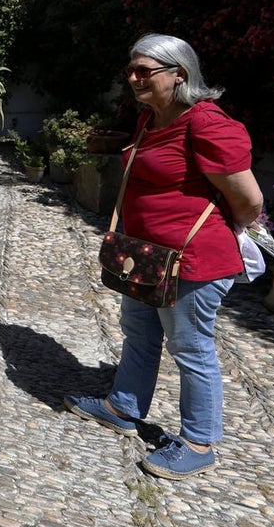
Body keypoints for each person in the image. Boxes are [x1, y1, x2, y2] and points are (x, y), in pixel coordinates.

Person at [64, 33, 263, 480]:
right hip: (148, 256)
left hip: (193, 261)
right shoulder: (152, 118)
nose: (134, 78)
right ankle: (124, 406)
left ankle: (199, 441)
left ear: (180, 75)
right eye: (130, 69)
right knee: (138, 332)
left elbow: (248, 201)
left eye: (145, 71)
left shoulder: (207, 124)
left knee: (190, 347)